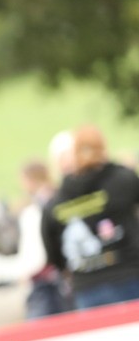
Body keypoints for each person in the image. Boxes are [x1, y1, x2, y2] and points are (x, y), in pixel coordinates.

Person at [41, 125, 139, 310]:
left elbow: (51, 247)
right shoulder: (123, 179)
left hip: (86, 284)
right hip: (130, 274)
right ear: (103, 148)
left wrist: (69, 269)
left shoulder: (58, 199)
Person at [0, 158, 73, 318]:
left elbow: (34, 259)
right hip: (67, 279)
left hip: (47, 285)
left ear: (29, 180)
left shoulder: (33, 211)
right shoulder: (61, 196)